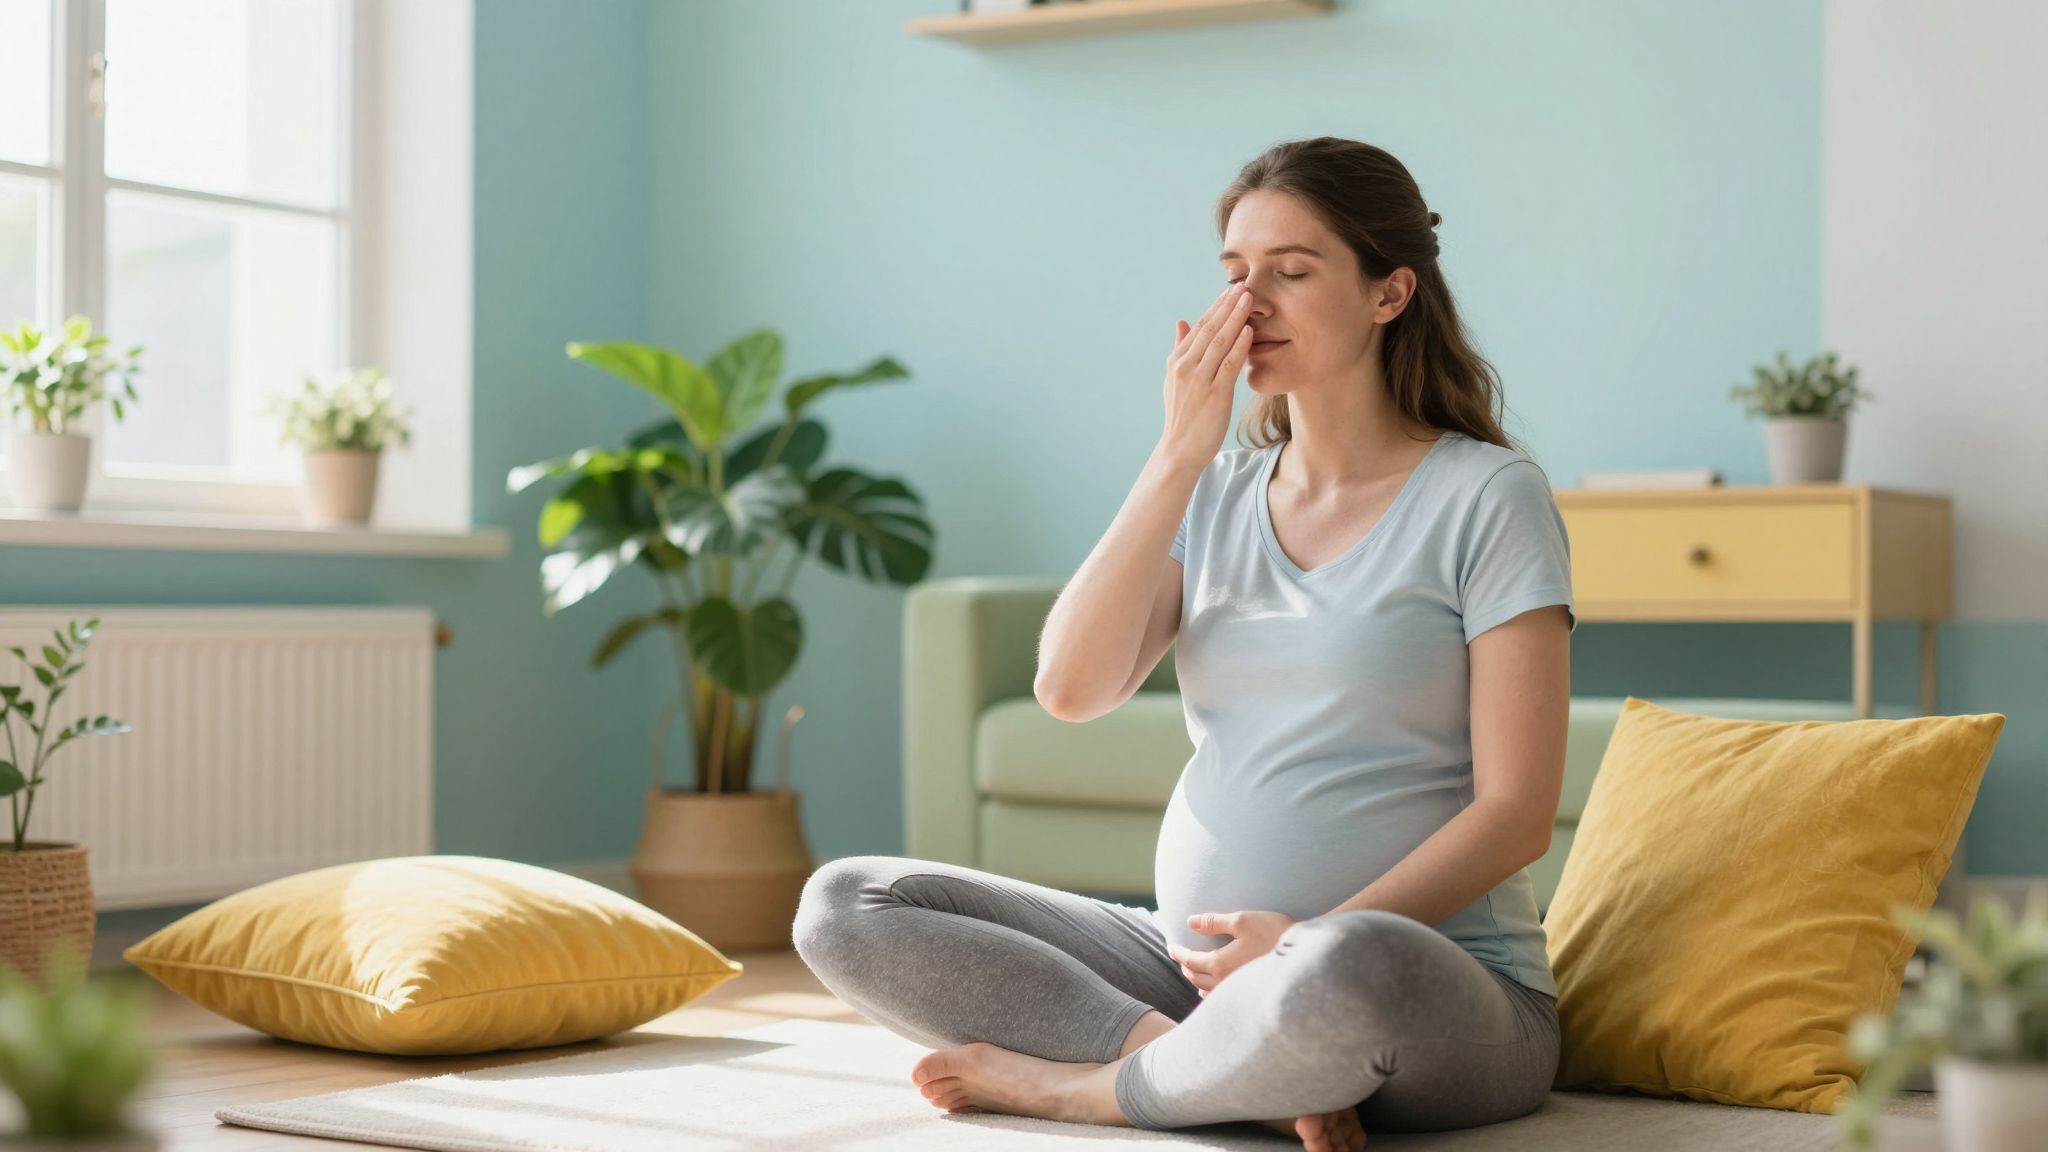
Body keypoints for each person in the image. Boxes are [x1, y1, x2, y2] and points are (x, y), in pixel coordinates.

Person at [791, 136, 1574, 1152]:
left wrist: (1297, 947)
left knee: (1347, 974)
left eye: (1290, 274)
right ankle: (1201, 1064)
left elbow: (1514, 816)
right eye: (1233, 276)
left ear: (1388, 294)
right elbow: (1070, 688)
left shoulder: (1484, 496)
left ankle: (1088, 1089)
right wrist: (1175, 456)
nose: (1249, 306)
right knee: (847, 905)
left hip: (1419, 985)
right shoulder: (1214, 495)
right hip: (1192, 969)